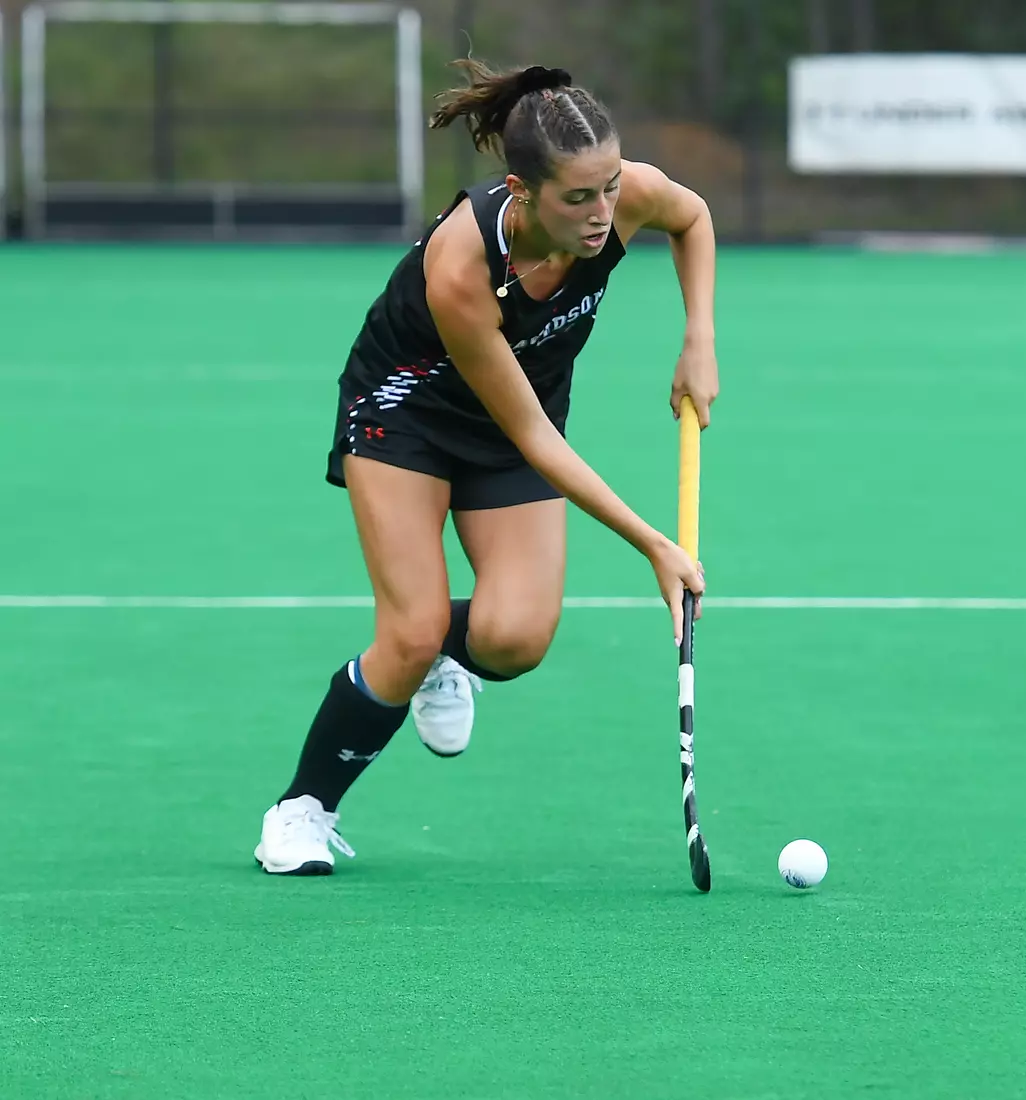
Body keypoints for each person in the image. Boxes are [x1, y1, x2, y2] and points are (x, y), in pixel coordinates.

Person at [254, 60, 716, 875]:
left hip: (511, 419)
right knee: (408, 630)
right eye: (580, 197)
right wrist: (653, 543)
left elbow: (695, 217)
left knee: (514, 639)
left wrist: (698, 339)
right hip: (408, 415)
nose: (603, 211)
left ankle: (443, 651)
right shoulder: (461, 270)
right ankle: (302, 810)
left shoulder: (624, 198)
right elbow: (539, 441)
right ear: (522, 191)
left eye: (609, 186)